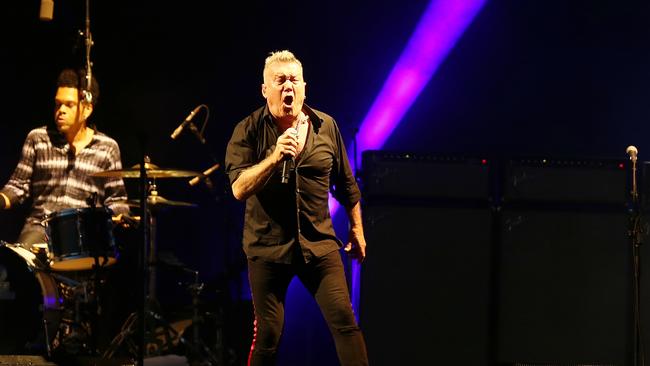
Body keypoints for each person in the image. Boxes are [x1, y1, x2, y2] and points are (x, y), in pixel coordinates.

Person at [225, 50, 369, 365]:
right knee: (269, 334)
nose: (288, 87)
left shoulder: (326, 126)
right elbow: (238, 188)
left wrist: (357, 229)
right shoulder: (247, 130)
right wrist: (274, 158)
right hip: (267, 249)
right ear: (266, 90)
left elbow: (346, 185)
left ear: (304, 87)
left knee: (345, 321)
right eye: (280, 81)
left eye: (294, 80)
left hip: (319, 245)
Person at [0, 68, 129, 249]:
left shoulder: (107, 148)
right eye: (57, 104)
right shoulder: (38, 138)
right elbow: (18, 185)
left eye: (69, 105)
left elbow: (117, 200)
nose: (60, 111)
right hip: (39, 229)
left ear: (87, 109)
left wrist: (119, 216)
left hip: (84, 234)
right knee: (13, 268)